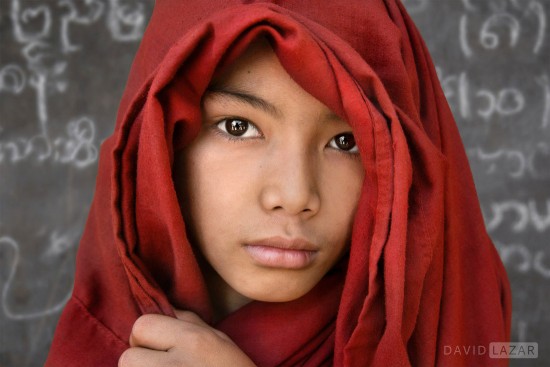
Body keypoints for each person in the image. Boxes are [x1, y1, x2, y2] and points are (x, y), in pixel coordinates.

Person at [46, 1, 511, 366]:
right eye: (237, 127)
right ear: (160, 145)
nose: (294, 196)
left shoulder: (450, 322)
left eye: (346, 140)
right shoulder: (102, 344)